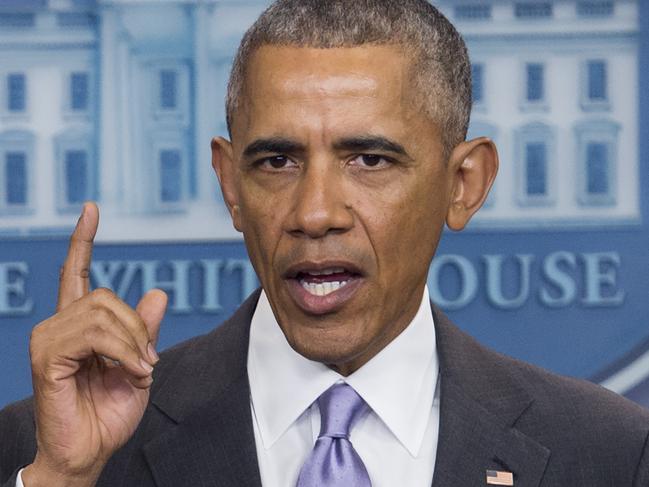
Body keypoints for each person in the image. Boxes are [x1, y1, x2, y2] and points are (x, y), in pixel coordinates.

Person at [1, 0, 649, 486]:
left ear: (463, 183)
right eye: (276, 161)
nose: (313, 213)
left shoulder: (610, 453)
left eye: (368, 159)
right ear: (230, 184)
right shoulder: (43, 447)